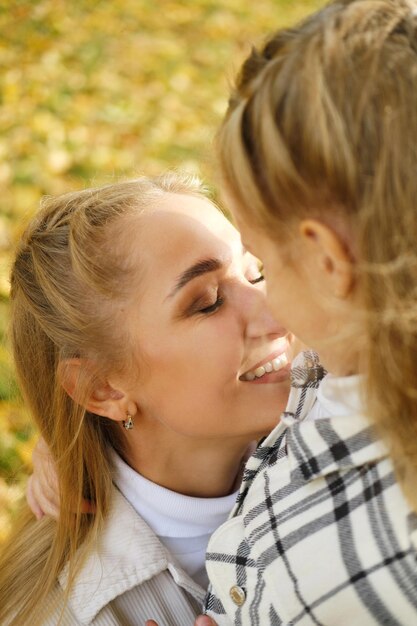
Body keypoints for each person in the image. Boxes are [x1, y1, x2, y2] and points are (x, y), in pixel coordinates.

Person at [202, 0, 417, 624]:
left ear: (327, 261)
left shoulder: (350, 583)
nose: (263, 303)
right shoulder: (346, 355)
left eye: (262, 263)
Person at [0, 173, 295, 626]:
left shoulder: (346, 406)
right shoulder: (62, 613)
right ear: (103, 389)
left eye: (257, 272)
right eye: (209, 302)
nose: (279, 311)